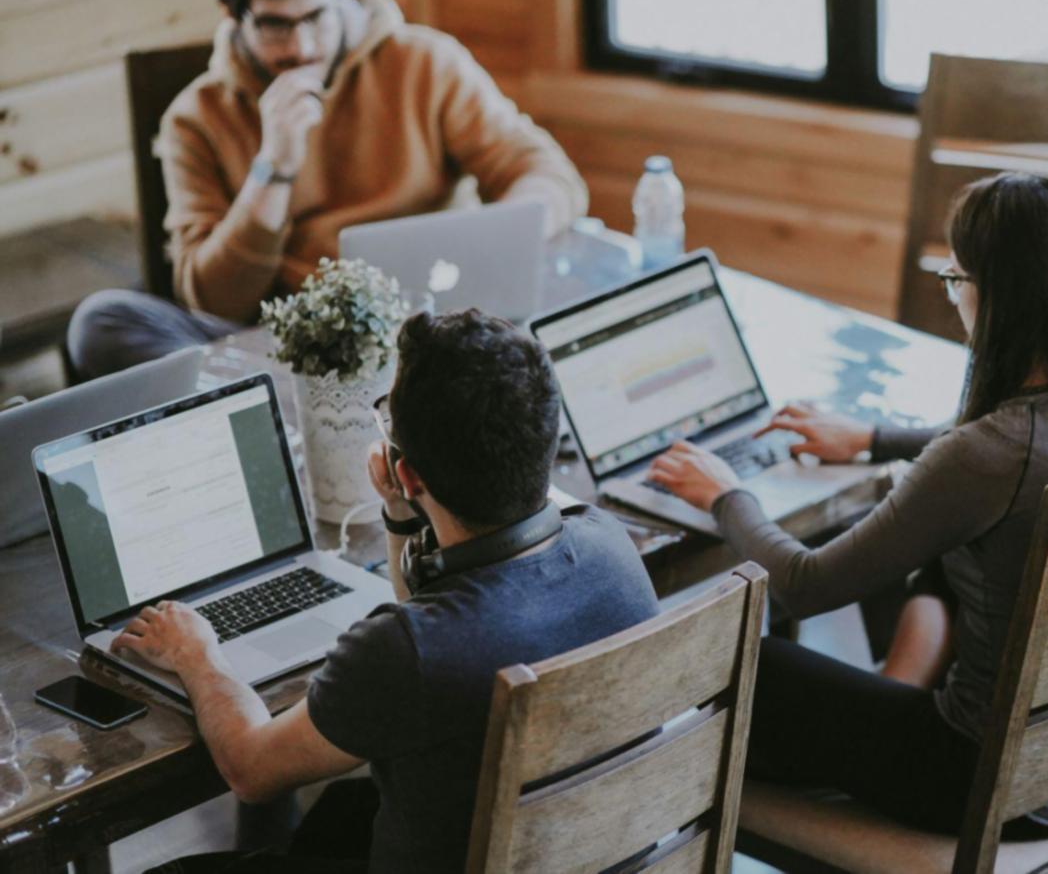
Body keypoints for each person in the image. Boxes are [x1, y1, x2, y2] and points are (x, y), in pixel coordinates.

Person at [647, 172, 1048, 836]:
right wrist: (872, 440)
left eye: (957, 281)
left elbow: (808, 585)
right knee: (946, 559)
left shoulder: (989, 456)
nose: (953, 298)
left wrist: (725, 493)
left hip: (985, 781)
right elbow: (992, 460)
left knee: (755, 665)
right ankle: (891, 693)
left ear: (999, 297)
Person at [118, 310, 660, 873]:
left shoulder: (404, 650)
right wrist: (403, 516)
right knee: (341, 813)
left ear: (410, 472)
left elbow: (250, 770)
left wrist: (196, 654)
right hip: (596, 856)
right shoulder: (612, 547)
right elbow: (436, 638)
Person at [68, 0, 587, 380]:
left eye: (316, 16)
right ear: (234, 15)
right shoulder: (194, 119)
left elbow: (549, 177)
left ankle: (329, 415)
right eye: (275, 26)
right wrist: (274, 167)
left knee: (577, 290)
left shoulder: (426, 61)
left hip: (434, 323)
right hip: (289, 350)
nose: (302, 45)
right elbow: (213, 301)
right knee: (101, 322)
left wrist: (497, 242)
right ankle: (321, 414)